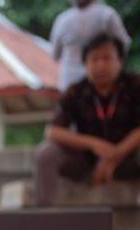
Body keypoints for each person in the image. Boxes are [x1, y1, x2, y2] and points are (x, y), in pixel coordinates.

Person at [35, 33, 140, 206]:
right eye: (94, 59)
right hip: (85, 162)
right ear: (85, 64)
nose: (100, 65)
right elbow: (52, 131)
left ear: (120, 61)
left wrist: (114, 156)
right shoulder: (76, 91)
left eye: (107, 58)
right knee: (46, 153)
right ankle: (44, 217)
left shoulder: (134, 85)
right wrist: (94, 145)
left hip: (128, 159)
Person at [50, 0, 132, 91]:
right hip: (99, 81)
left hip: (71, 82)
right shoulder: (106, 15)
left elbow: (55, 55)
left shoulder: (62, 20)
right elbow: (124, 45)